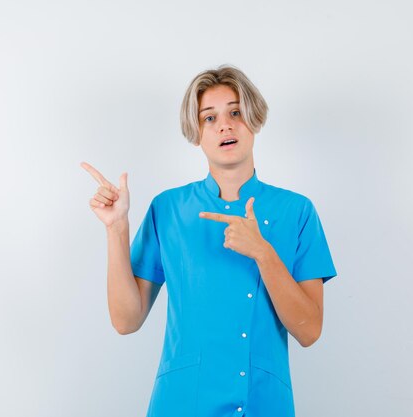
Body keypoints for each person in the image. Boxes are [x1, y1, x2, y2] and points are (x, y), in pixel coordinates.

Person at [81, 64, 337, 417]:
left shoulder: (297, 212)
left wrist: (263, 253)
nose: (225, 125)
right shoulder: (168, 209)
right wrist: (116, 228)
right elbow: (126, 321)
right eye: (209, 118)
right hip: (182, 403)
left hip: (263, 403)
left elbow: (310, 331)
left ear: (254, 118)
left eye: (235, 112)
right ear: (196, 132)